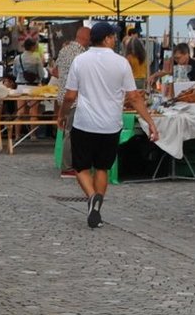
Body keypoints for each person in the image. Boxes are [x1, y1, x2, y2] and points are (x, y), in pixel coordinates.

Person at [58, 21, 157, 228]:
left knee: (81, 167)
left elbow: (70, 96)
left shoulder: (80, 61)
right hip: (111, 124)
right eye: (113, 37)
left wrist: (62, 114)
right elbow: (134, 97)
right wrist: (150, 123)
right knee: (102, 168)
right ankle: (96, 208)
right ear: (106, 39)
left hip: (84, 123)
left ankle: (92, 196)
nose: (114, 40)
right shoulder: (121, 63)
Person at [53, 24, 90, 176]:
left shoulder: (64, 49)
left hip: (63, 97)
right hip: (75, 99)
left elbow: (54, 71)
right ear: (87, 38)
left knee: (69, 132)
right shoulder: (81, 55)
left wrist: (65, 78)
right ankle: (68, 167)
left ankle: (70, 164)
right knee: (72, 133)